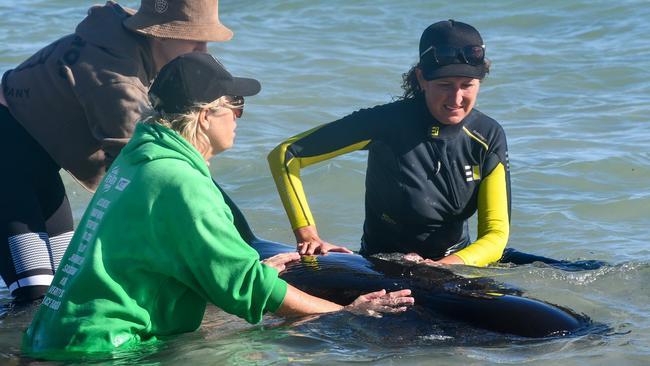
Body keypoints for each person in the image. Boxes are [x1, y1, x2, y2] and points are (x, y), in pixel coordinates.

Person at [21, 52, 414, 357]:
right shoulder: (180, 181)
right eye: (237, 104)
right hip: (103, 350)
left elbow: (172, 259)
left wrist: (245, 268)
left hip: (59, 335)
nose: (241, 117)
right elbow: (247, 292)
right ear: (207, 115)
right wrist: (344, 314)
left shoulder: (141, 158)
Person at [0, 0, 233, 304]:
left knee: (64, 287)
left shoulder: (132, 45)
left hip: (37, 159)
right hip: (7, 158)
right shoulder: (116, 81)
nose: (204, 51)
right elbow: (145, 172)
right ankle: (20, 352)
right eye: (196, 39)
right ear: (160, 33)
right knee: (35, 294)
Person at [268, 20, 510, 267]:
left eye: (467, 85)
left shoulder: (487, 136)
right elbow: (287, 155)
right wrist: (307, 234)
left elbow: (496, 235)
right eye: (445, 85)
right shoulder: (385, 123)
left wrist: (442, 267)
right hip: (383, 268)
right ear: (421, 78)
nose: (456, 98)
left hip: (456, 264)